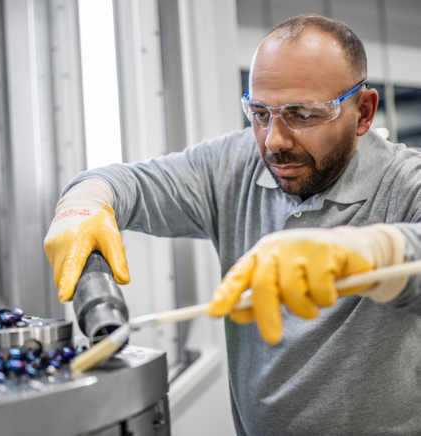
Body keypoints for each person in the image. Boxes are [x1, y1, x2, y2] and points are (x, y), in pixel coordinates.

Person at [44, 14, 421, 435]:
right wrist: (83, 203)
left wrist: (365, 253)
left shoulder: (405, 184)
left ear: (364, 112)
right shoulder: (234, 163)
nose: (274, 140)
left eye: (301, 114)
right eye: (259, 113)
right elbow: (127, 182)